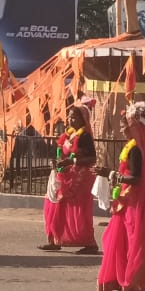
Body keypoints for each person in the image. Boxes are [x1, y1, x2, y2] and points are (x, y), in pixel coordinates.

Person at [96, 102, 145, 291]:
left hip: (134, 205)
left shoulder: (136, 150)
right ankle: (118, 279)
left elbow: (136, 179)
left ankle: (141, 281)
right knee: (117, 240)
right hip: (125, 204)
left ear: (134, 126)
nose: (121, 128)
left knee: (135, 242)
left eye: (124, 124)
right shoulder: (131, 148)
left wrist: (110, 174)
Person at [39, 101, 99, 254]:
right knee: (53, 205)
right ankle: (54, 240)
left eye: (74, 118)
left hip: (79, 179)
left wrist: (72, 161)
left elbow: (92, 158)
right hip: (65, 175)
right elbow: (64, 153)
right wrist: (58, 162)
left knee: (79, 212)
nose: (71, 120)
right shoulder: (68, 134)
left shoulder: (85, 136)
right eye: (70, 117)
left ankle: (89, 243)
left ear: (83, 119)